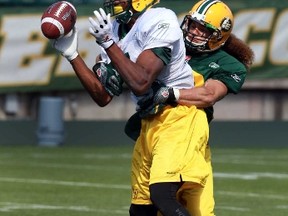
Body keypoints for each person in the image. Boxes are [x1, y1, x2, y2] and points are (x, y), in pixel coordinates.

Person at [50, 0, 210, 215]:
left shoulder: (160, 19)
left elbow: (141, 82)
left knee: (163, 194)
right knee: (140, 209)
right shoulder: (115, 28)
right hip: (149, 121)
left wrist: (107, 42)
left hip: (178, 116)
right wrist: (72, 55)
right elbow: (103, 96)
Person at [121, 0, 255, 215]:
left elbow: (209, 94)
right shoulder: (171, 44)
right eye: (193, 24)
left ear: (219, 35)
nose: (194, 32)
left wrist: (170, 93)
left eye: (203, 29)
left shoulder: (228, 64)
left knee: (179, 203)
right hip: (151, 127)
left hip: (185, 131)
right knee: (141, 208)